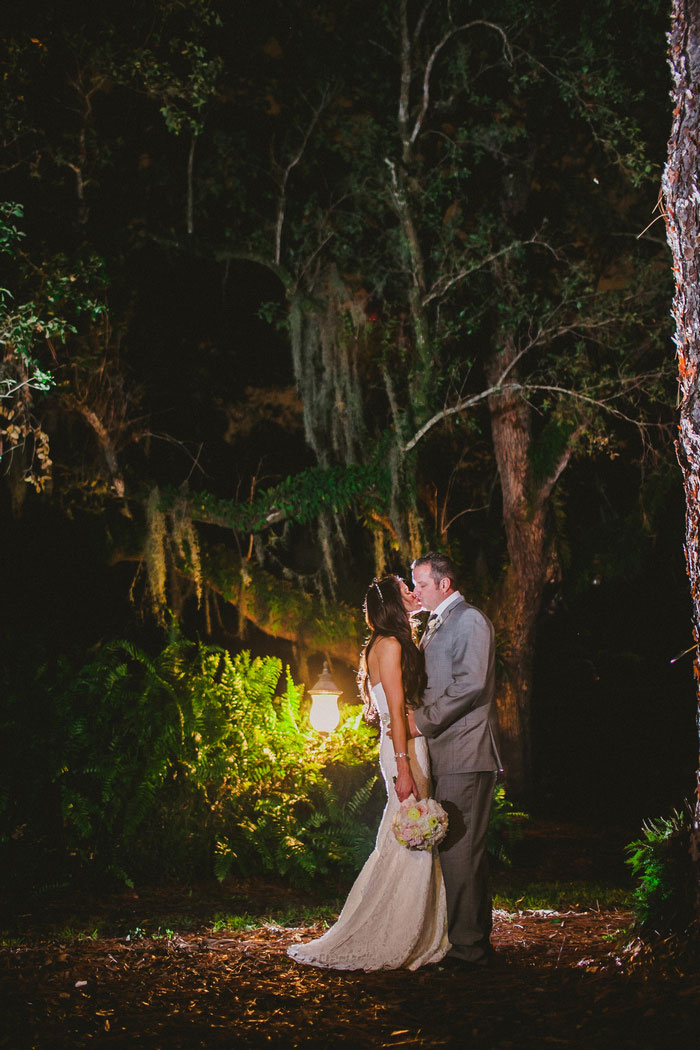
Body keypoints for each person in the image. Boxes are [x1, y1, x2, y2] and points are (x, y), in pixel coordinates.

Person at [287, 575, 450, 971]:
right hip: (403, 748)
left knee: (401, 836)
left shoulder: (382, 643)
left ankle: (416, 927)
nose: (413, 593)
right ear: (394, 603)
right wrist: (404, 767)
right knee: (411, 832)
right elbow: (395, 711)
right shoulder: (391, 644)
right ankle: (398, 934)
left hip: (400, 745)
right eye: (405, 590)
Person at [408, 552, 502, 968]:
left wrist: (420, 722)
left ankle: (468, 948)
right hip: (447, 751)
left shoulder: (470, 620)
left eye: (422, 585)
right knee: (459, 851)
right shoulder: (434, 623)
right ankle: (470, 939)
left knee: (461, 850)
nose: (416, 592)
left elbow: (470, 684)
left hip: (466, 750)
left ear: (444, 584)